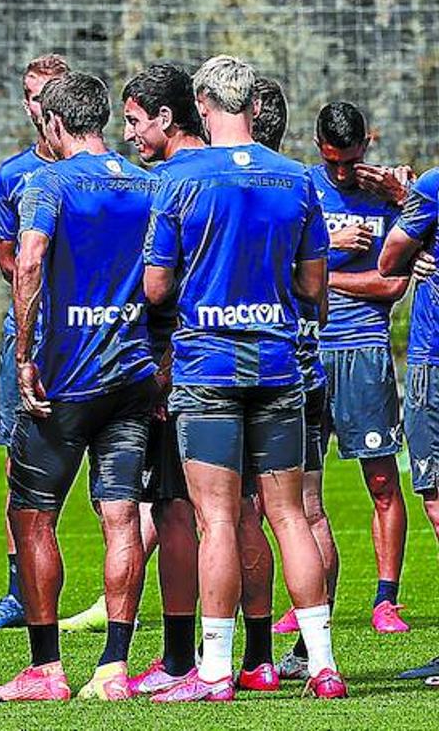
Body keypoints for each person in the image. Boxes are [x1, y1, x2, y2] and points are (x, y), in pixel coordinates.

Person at [143, 54, 345, 702]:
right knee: (289, 516)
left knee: (218, 522)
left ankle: (215, 672)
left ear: (202, 106)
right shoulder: (297, 179)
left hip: (208, 367)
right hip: (279, 365)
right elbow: (314, 285)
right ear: (255, 106)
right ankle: (323, 666)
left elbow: (156, 286)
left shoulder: (180, 180)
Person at [0, 71, 154, 703]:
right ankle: (113, 668)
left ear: (54, 123)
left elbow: (28, 260)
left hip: (65, 380)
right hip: (132, 378)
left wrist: (23, 355)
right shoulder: (147, 183)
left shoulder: (49, 182)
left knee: (32, 514)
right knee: (121, 516)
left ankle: (47, 669)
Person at [275, 102, 411, 652]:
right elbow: (280, 268)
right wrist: (330, 255)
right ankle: (308, 601)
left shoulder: (387, 198)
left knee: (381, 481)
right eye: (332, 160)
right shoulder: (302, 189)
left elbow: (393, 285)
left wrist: (323, 276)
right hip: (306, 351)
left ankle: (385, 598)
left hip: (363, 350)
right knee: (301, 491)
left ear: (367, 145)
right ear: (317, 147)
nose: (341, 171)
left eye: (350, 161)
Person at [118, 63, 205, 694]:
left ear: (165, 118)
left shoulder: (163, 185)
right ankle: (251, 654)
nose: (128, 134)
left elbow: (156, 286)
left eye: (133, 121)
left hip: (177, 367)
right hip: (251, 358)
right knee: (256, 513)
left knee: (175, 510)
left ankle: (181, 660)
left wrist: (162, 363)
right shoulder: (238, 172)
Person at [0, 53, 68, 633]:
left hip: (89, 334)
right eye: (34, 95)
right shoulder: (13, 174)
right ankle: (19, 590)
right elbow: (9, 260)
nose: (41, 106)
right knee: (20, 457)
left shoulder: (98, 171)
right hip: (30, 330)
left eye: (51, 94)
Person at [379, 163, 439, 682]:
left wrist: (411, 217)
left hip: (433, 360)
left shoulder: (433, 185)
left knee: (437, 502)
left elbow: (388, 259)